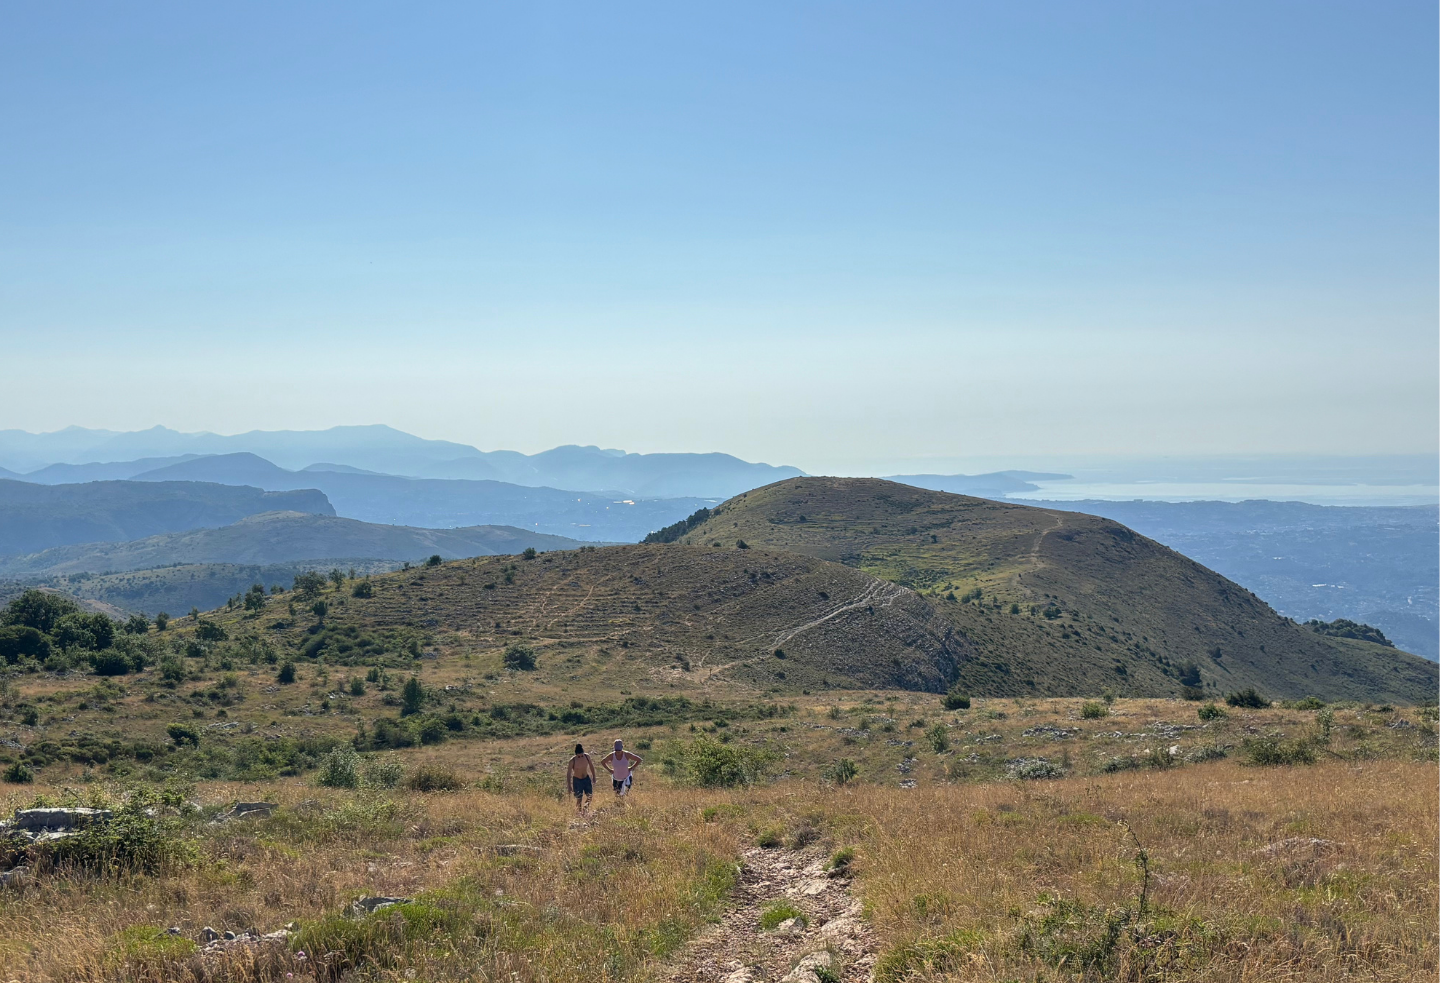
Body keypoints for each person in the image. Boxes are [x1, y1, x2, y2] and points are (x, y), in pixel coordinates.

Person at [567, 743, 596, 814]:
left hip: (586, 779)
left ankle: (585, 809)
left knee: (590, 796)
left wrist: (594, 776)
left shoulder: (587, 757)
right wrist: (569, 785)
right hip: (577, 781)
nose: (580, 757)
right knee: (579, 799)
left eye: (581, 755)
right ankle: (579, 813)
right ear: (576, 754)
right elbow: (569, 773)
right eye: (579, 756)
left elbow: (591, 767)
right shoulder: (572, 761)